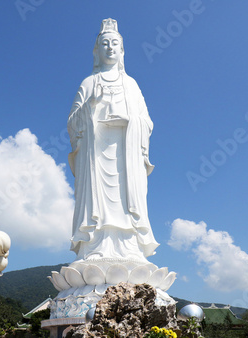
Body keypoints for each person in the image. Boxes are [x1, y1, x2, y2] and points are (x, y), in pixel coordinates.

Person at [67, 18, 159, 262]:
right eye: (105, 43)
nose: (110, 48)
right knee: (96, 204)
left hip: (125, 155)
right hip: (95, 157)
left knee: (127, 203)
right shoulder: (88, 83)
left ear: (122, 50)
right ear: (97, 51)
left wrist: (131, 122)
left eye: (114, 44)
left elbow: (147, 122)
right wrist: (91, 105)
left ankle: (130, 249)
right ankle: (94, 247)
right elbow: (72, 123)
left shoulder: (131, 85)